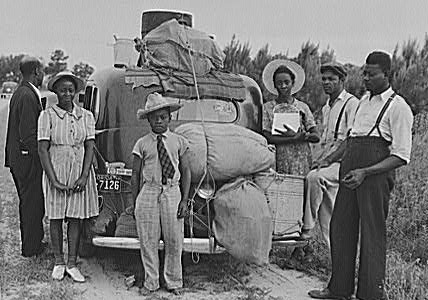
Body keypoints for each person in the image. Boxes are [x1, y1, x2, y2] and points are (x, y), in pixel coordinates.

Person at [309, 51, 413, 300]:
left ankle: (369, 294)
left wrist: (365, 172)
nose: (365, 78)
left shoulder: (398, 107)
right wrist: (329, 160)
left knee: (372, 233)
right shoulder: (364, 101)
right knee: (341, 228)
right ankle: (339, 289)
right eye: (364, 73)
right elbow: (351, 139)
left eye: (371, 74)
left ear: (386, 75)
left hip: (374, 177)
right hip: (350, 173)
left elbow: (401, 156)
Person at [38, 71, 99, 282]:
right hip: (57, 168)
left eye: (71, 90)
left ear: (76, 92)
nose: (67, 94)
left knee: (75, 217)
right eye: (63, 90)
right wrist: (53, 179)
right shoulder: (48, 116)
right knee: (55, 216)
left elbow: (90, 147)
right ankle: (58, 261)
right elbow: (43, 149)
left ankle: (72, 263)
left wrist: (83, 176)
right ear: (55, 91)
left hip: (79, 170)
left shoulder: (86, 116)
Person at [131, 92, 191, 296]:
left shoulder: (178, 141)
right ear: (148, 119)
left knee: (174, 239)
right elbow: (135, 175)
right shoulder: (142, 143)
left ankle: (173, 281)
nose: (159, 120)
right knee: (148, 240)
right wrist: (135, 202)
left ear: (170, 118)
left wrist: (185, 200)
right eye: (154, 117)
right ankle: (151, 282)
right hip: (149, 191)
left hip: (172, 191)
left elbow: (187, 172)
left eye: (163, 116)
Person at [300, 62, 359, 245]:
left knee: (314, 179)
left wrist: (328, 160)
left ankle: (306, 230)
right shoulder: (327, 107)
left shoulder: (351, 103)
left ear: (342, 80)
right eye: (324, 79)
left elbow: (350, 140)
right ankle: (332, 252)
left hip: (343, 160)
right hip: (328, 156)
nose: (326, 82)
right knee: (328, 209)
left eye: (331, 79)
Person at [4, 56, 46, 257]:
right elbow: (29, 134)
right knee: (31, 203)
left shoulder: (22, 92)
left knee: (31, 201)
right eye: (42, 70)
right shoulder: (28, 96)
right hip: (26, 159)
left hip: (18, 158)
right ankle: (31, 248)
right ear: (36, 71)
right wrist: (41, 157)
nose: (43, 75)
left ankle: (34, 242)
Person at [262, 59, 320, 176]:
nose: (283, 86)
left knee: (301, 188)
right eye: (279, 83)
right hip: (278, 157)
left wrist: (302, 136)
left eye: (286, 82)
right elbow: (267, 136)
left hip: (301, 157)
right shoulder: (267, 108)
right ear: (274, 85)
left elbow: (316, 136)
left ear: (293, 83)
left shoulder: (302, 107)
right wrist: (293, 139)